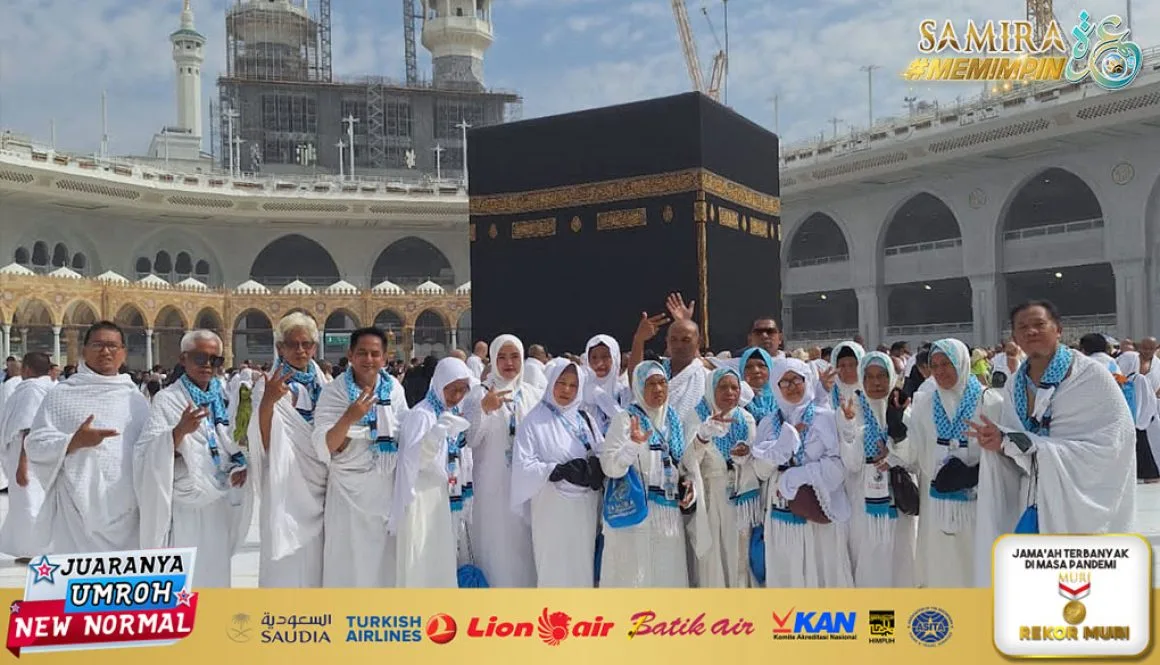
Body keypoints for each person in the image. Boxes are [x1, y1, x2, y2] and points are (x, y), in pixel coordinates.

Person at [973, 301, 1136, 586]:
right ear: (1014, 336)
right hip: (1030, 497)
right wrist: (998, 442)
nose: (1031, 332)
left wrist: (1027, 444)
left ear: (1058, 329)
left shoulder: (1090, 376)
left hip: (1077, 499)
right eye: (1022, 327)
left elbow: (1114, 444)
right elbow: (1016, 443)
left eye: (1039, 324)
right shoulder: (1014, 384)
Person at [136, 330, 252, 587]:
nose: (208, 365)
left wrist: (238, 465)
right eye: (200, 358)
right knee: (188, 579)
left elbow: (226, 444)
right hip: (186, 503)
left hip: (218, 499)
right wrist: (179, 433)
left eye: (215, 360)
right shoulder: (168, 399)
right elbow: (147, 452)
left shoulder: (221, 396)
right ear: (183, 359)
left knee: (216, 577)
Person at [25, 322, 150, 553]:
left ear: (123, 352)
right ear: (84, 350)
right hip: (77, 511)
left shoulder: (136, 399)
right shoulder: (62, 394)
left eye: (112, 346)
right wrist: (73, 442)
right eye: (98, 345)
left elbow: (149, 450)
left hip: (128, 509)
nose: (105, 351)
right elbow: (35, 444)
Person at [890, 339, 1001, 588]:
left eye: (947, 364)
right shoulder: (925, 404)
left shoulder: (990, 402)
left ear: (961, 363)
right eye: (935, 365)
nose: (940, 371)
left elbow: (1006, 452)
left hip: (978, 505)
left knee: (977, 570)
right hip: (936, 507)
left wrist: (976, 472)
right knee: (941, 572)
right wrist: (898, 434)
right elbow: (913, 455)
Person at [314, 327, 409, 587]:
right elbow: (325, 445)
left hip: (385, 488)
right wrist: (350, 418)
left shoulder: (394, 390)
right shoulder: (334, 391)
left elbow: (405, 433)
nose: (369, 359)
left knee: (385, 564)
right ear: (350, 355)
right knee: (348, 562)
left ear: (385, 358)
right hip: (347, 494)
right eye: (362, 353)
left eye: (375, 354)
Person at [753, 358, 853, 588]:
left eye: (796, 380)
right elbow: (760, 470)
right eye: (784, 382)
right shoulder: (768, 423)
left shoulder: (825, 417)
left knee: (821, 573)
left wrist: (799, 476)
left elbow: (838, 466)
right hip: (782, 512)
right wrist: (783, 445)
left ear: (807, 380)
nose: (792, 387)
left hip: (818, 506)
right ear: (776, 387)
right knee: (788, 573)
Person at [599, 361, 696, 587]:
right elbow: (609, 466)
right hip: (635, 516)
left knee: (667, 578)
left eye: (662, 382)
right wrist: (632, 445)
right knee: (634, 579)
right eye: (651, 384)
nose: (658, 389)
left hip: (668, 517)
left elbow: (682, 465)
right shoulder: (626, 419)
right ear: (639, 387)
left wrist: (689, 485)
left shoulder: (673, 420)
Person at [249, 313, 329, 588]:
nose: (300, 350)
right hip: (285, 483)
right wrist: (269, 402)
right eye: (293, 344)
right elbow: (262, 440)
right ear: (280, 348)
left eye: (307, 344)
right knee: (285, 565)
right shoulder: (268, 385)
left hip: (319, 482)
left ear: (314, 347)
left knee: (318, 562)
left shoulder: (324, 384)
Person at [512, 360, 605, 587]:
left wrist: (596, 467)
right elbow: (523, 466)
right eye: (561, 383)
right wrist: (556, 470)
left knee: (581, 567)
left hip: (584, 509)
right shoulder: (533, 421)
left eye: (573, 385)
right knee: (553, 567)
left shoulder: (585, 420)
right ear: (551, 382)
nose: (566, 390)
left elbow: (602, 450)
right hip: (552, 508)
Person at [682, 367, 770, 587]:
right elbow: (687, 462)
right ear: (711, 389)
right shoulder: (697, 416)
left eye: (734, 387)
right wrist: (703, 436)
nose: (730, 392)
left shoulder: (746, 418)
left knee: (740, 556)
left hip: (741, 497)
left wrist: (745, 454)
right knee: (714, 559)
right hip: (711, 497)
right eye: (723, 387)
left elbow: (755, 457)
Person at [466, 335, 542, 587]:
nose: (509, 363)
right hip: (492, 486)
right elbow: (470, 439)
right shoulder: (479, 393)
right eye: (502, 357)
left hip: (525, 485)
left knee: (525, 546)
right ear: (493, 360)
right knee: (497, 546)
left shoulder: (532, 395)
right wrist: (484, 410)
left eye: (514, 357)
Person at [833, 351, 914, 587]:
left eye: (882, 376)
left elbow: (914, 458)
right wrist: (849, 427)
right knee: (866, 560)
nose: (876, 383)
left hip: (898, 498)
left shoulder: (904, 411)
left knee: (901, 561)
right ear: (862, 379)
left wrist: (894, 453)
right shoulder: (851, 411)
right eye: (869, 377)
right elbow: (851, 463)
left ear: (892, 377)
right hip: (862, 500)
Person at [391, 357, 473, 587]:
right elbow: (413, 461)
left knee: (440, 558)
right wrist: (434, 436)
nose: (456, 396)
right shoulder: (422, 414)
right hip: (420, 497)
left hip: (440, 495)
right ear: (439, 384)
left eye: (462, 390)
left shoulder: (450, 412)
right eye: (452, 389)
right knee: (420, 558)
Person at [0, 352, 54, 561]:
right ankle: (27, 548)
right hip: (30, 457)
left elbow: (28, 428)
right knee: (25, 503)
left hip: (27, 460)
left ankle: (35, 551)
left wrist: (22, 465)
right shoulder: (45, 388)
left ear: (28, 369)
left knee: (31, 503)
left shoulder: (32, 391)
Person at [1113, 351, 1159, 483]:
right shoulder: (1123, 381)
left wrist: (1141, 417)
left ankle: (1149, 475)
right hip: (1134, 419)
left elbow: (1147, 400)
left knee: (1143, 448)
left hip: (1140, 420)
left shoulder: (1139, 379)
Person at [583, 334, 626, 435]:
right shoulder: (580, 393)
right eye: (594, 357)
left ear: (615, 358)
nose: (599, 363)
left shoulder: (624, 392)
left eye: (605, 357)